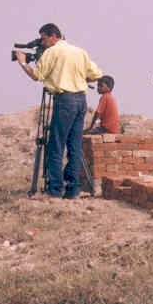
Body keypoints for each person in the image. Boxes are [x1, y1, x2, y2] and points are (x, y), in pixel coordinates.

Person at [15, 23, 103, 198]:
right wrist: (75, 76)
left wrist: (22, 62)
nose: (43, 42)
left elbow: (36, 76)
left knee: (55, 146)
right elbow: (96, 74)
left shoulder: (52, 52)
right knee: (75, 146)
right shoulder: (79, 51)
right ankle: (73, 190)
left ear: (53, 36)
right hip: (80, 100)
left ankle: (53, 190)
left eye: (43, 38)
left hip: (64, 100)